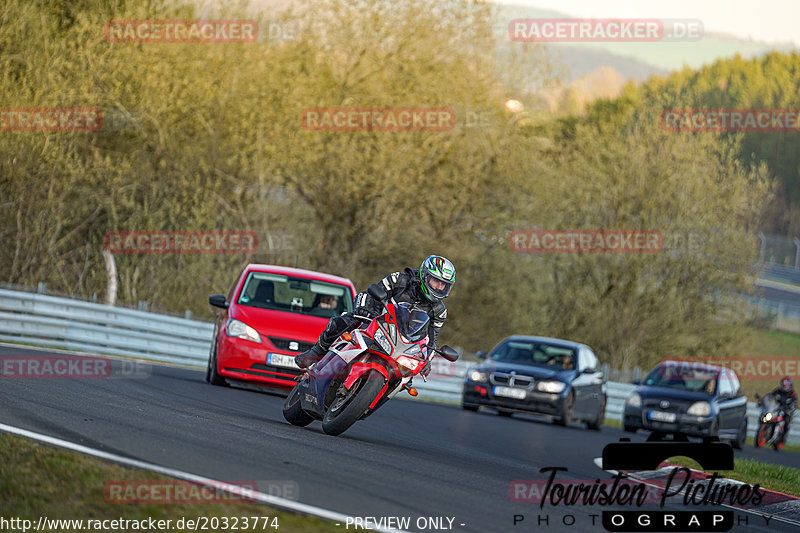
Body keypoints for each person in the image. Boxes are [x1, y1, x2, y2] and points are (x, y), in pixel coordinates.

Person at [295, 255, 456, 370]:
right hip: (377, 321)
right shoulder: (400, 280)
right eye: (436, 282)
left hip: (401, 343)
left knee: (408, 374)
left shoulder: (440, 311)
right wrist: (366, 310)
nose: (439, 288)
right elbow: (373, 292)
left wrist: (427, 359)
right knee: (347, 320)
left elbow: (431, 339)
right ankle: (315, 352)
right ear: (425, 275)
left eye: (444, 285)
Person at [769, 376, 797, 448]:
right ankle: (765, 430)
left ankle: (782, 438)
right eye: (783, 385)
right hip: (776, 409)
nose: (784, 387)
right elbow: (770, 397)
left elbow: (794, 405)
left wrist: (789, 410)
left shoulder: (792, 395)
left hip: (786, 411)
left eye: (786, 386)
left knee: (787, 422)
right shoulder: (777, 390)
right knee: (765, 416)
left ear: (790, 386)